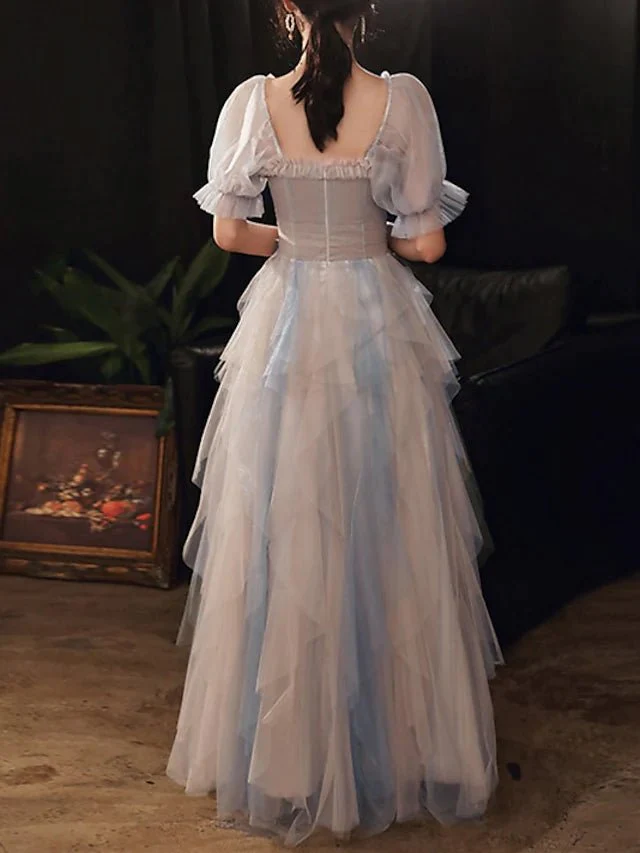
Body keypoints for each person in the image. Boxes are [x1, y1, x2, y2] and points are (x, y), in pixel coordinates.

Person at [167, 0, 504, 845]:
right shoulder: (403, 101)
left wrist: (295, 241)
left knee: (286, 523)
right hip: (372, 321)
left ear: (287, 10)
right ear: (369, 8)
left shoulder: (251, 102)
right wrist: (368, 241)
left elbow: (227, 231)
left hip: (283, 322)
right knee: (390, 527)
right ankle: (397, 748)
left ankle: (287, 759)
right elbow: (428, 245)